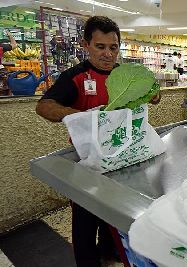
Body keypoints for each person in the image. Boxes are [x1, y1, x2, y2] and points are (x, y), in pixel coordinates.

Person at [36, 16, 160, 267]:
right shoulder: (76, 77)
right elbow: (44, 106)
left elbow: (154, 97)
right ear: (86, 45)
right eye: (100, 47)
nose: (107, 54)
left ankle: (109, 250)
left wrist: (151, 93)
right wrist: (82, 117)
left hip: (123, 155)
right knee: (85, 219)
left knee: (112, 212)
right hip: (88, 160)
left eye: (113, 47)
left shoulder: (124, 74)